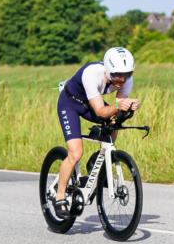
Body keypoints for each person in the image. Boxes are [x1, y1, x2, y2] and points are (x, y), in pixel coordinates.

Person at [53, 47, 140, 218]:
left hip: (89, 103)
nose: (122, 80)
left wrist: (128, 107)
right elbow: (100, 111)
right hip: (70, 103)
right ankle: (60, 196)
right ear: (108, 69)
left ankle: (98, 160)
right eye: (117, 75)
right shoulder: (92, 73)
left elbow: (117, 110)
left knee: (115, 123)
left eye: (127, 74)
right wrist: (116, 107)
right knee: (76, 153)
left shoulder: (126, 80)